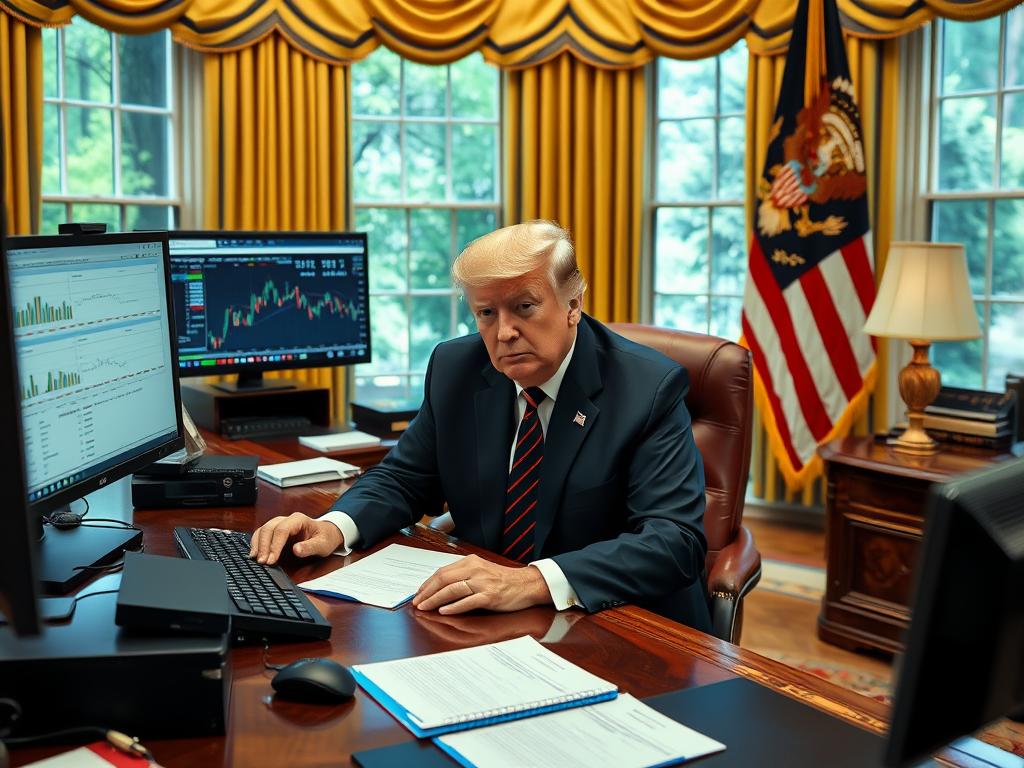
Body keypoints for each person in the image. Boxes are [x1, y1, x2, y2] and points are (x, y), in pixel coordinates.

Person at [250, 220, 712, 631]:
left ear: (573, 304)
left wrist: (530, 580)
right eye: (486, 313)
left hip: (620, 626)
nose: (504, 332)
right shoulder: (457, 366)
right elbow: (405, 478)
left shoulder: (647, 387)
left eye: (525, 307)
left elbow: (674, 542)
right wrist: (333, 527)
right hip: (489, 619)